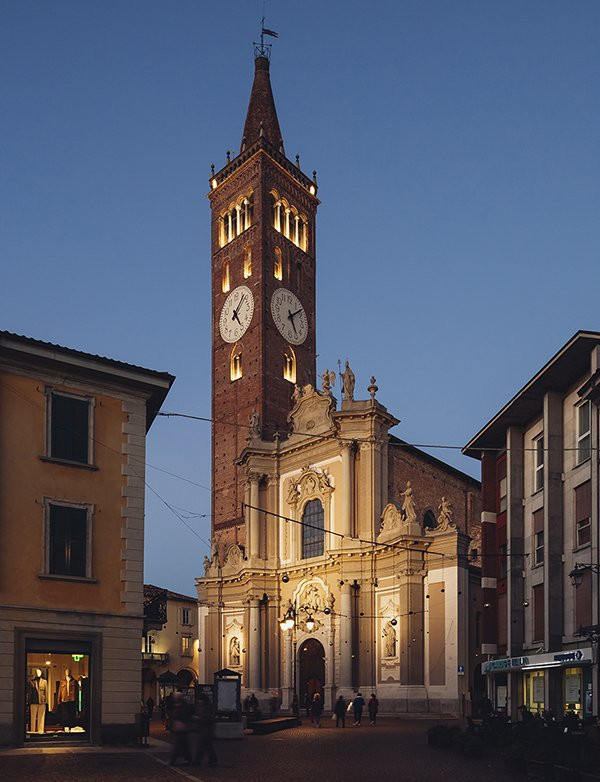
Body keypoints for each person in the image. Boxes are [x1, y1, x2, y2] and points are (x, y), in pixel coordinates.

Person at [190, 694, 217, 767]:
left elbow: (208, 719)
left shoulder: (206, 708)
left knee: (201, 745)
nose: (198, 701)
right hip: (202, 728)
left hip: (206, 728)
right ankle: (213, 759)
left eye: (200, 700)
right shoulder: (200, 707)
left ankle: (197, 761)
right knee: (207, 745)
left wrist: (198, 719)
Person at [169, 691, 192, 766]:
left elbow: (183, 715)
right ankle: (188, 758)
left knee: (178, 744)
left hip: (181, 727)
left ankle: (172, 760)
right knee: (184, 744)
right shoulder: (179, 705)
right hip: (180, 727)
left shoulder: (182, 706)